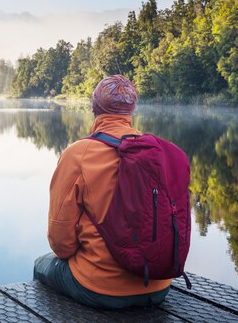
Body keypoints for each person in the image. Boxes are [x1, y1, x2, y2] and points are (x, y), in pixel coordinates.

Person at [33, 75, 171, 309]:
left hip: (100, 289)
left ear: (94, 108)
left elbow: (60, 244)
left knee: (42, 264)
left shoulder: (79, 154)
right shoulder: (158, 151)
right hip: (159, 285)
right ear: (132, 110)